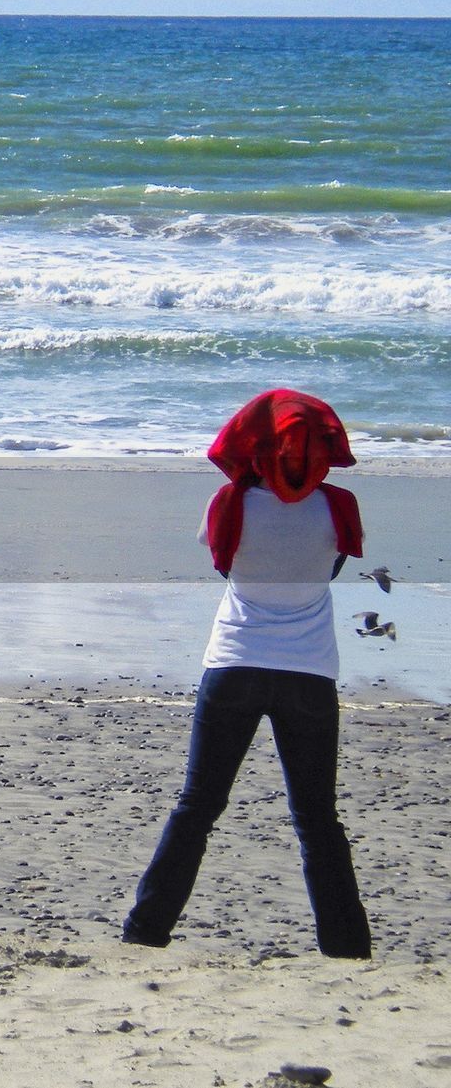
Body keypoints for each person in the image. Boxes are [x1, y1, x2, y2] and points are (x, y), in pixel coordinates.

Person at [122, 389, 372, 959]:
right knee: (316, 818)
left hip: (235, 662)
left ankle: (146, 930)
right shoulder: (338, 507)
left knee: (198, 806)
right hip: (309, 671)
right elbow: (330, 569)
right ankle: (347, 946)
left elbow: (223, 564)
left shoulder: (229, 504)